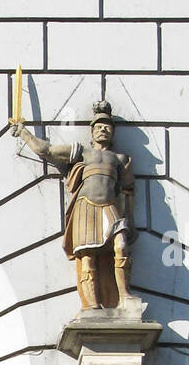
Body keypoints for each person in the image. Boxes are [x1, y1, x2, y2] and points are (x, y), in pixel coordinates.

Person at [13, 99, 134, 310]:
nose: (103, 130)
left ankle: (124, 296)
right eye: (99, 127)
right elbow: (47, 151)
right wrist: (24, 133)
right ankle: (92, 305)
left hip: (110, 208)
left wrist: (129, 219)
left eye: (107, 127)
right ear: (92, 131)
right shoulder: (83, 153)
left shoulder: (120, 159)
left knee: (121, 245)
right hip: (86, 207)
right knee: (87, 257)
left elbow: (127, 191)